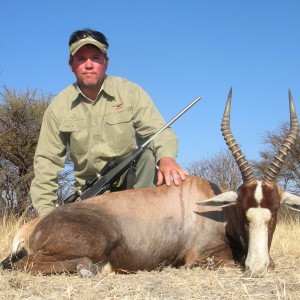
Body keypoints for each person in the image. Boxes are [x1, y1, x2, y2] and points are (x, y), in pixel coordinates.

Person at [30, 28, 188, 216]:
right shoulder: (58, 107)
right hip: (92, 191)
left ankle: (146, 217)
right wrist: (47, 215)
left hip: (134, 183)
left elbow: (159, 131)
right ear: (71, 65)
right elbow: (46, 161)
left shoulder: (130, 92)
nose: (89, 65)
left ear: (106, 62)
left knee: (149, 154)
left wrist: (167, 159)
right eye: (81, 59)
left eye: (96, 58)